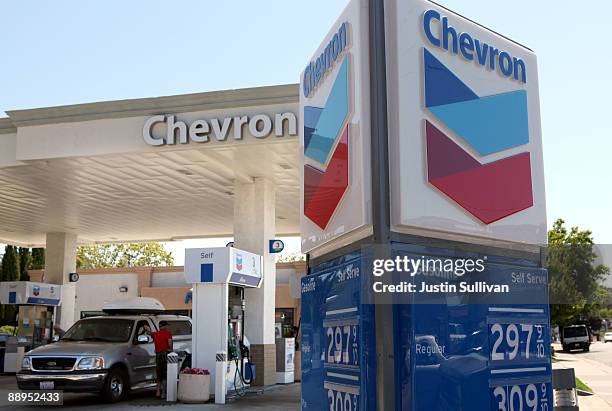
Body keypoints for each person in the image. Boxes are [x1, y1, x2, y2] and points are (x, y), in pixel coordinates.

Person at [152, 321, 173, 399]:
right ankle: (163, 393)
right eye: (166, 326)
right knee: (164, 374)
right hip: (165, 354)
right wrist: (170, 349)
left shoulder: (155, 334)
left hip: (158, 355)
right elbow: (170, 343)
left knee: (159, 374)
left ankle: (157, 392)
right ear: (164, 326)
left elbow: (149, 333)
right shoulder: (168, 334)